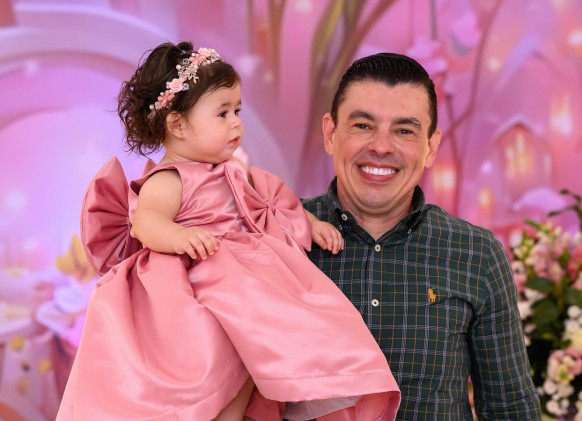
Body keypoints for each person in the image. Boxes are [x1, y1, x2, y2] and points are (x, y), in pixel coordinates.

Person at [56, 42, 401, 421]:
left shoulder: (233, 168)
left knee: (271, 341)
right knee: (217, 358)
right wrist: (176, 236)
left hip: (242, 275)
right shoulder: (170, 179)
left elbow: (265, 200)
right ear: (177, 125)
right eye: (222, 113)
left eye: (237, 111)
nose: (236, 123)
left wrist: (312, 223)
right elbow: (146, 220)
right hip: (197, 278)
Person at [302, 52, 542, 420]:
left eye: (404, 131)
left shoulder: (477, 254)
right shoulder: (273, 236)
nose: (381, 146)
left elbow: (510, 410)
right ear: (331, 134)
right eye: (363, 125)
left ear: (430, 146)